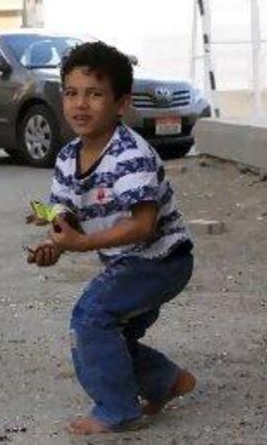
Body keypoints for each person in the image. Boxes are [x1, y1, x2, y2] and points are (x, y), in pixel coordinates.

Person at [25, 41, 195, 435]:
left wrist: (80, 244)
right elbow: (62, 214)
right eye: (72, 93)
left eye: (95, 94)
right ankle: (166, 381)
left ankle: (117, 410)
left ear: (121, 104)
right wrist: (54, 244)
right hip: (129, 263)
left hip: (161, 261)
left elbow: (144, 225)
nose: (80, 105)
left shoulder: (129, 154)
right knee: (110, 334)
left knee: (90, 320)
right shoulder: (68, 157)